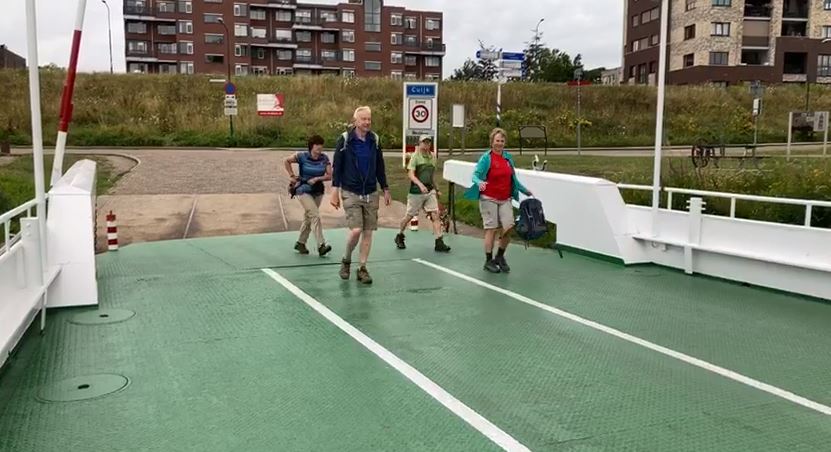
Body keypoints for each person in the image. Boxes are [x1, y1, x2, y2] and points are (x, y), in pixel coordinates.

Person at [330, 106, 391, 284]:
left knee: (368, 232)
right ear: (355, 120)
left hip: (371, 192)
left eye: (369, 119)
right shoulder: (345, 140)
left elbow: (380, 166)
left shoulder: (375, 140)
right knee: (356, 230)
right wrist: (334, 191)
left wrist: (385, 188)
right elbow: (337, 167)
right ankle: (346, 260)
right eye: (363, 119)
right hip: (351, 191)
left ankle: (362, 268)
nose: (367, 122)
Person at [464, 127, 532, 273]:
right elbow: (475, 176)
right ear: (492, 142)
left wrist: (524, 190)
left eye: (502, 141)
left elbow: (512, 178)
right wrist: (479, 183)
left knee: (508, 227)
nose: (499, 143)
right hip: (489, 198)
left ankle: (500, 256)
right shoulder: (486, 158)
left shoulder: (508, 158)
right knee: (492, 229)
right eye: (497, 141)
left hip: (505, 198)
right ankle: (488, 260)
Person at [394, 135, 450, 252]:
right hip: (416, 192)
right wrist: (420, 185)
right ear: (419, 144)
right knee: (409, 216)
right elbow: (411, 174)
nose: (426, 145)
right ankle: (400, 235)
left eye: (428, 143)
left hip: (429, 191)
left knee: (435, 215)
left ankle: (439, 241)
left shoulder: (433, 157)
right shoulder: (415, 157)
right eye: (424, 143)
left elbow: (432, 176)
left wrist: (437, 189)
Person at [284, 134, 333, 257]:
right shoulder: (302, 156)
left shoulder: (324, 158)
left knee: (309, 216)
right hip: (303, 189)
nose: (319, 147)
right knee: (315, 215)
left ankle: (300, 242)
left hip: (318, 190)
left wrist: (317, 178)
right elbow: (286, 161)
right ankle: (321, 245)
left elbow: (329, 175)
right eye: (317, 145)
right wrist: (292, 176)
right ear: (311, 146)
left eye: (321, 145)